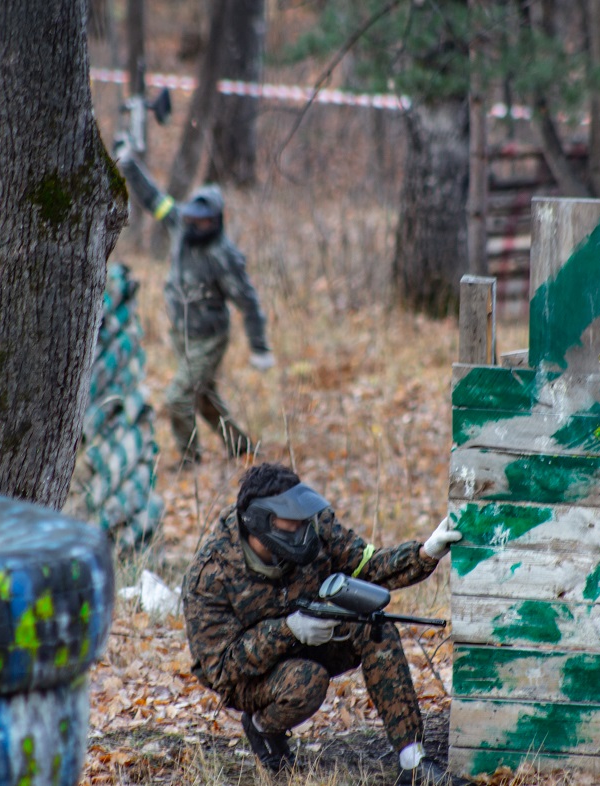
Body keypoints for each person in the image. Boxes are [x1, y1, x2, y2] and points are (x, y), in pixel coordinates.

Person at [181, 462, 470, 785]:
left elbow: (367, 566)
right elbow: (219, 669)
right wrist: (287, 629)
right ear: (261, 520)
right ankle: (262, 725)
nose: (304, 528)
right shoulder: (211, 573)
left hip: (311, 638)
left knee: (375, 626)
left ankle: (413, 761)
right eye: (292, 519)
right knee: (307, 681)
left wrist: (426, 552)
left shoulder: (315, 527)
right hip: (252, 677)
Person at [113, 136, 274, 468]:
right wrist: (129, 164)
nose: (195, 223)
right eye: (193, 217)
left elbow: (248, 301)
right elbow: (153, 198)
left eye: (203, 219)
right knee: (203, 397)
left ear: (215, 221)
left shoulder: (223, 256)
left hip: (209, 337)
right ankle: (241, 446)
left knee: (177, 398)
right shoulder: (180, 225)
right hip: (181, 333)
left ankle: (190, 459)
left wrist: (259, 348)